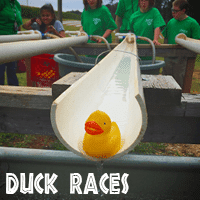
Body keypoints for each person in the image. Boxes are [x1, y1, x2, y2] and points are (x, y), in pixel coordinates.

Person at [162, 0, 200, 88]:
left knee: (179, 85)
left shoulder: (192, 23)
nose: (173, 13)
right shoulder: (171, 22)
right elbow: (166, 39)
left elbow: (196, 42)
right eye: (172, 10)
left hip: (183, 61)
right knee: (165, 82)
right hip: (168, 59)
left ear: (183, 11)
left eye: (175, 11)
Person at [0, 0, 23, 86]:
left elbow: (19, 25)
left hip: (12, 43)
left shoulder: (16, 4)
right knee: (0, 71)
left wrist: (18, 41)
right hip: (1, 43)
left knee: (12, 71)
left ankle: (14, 95)